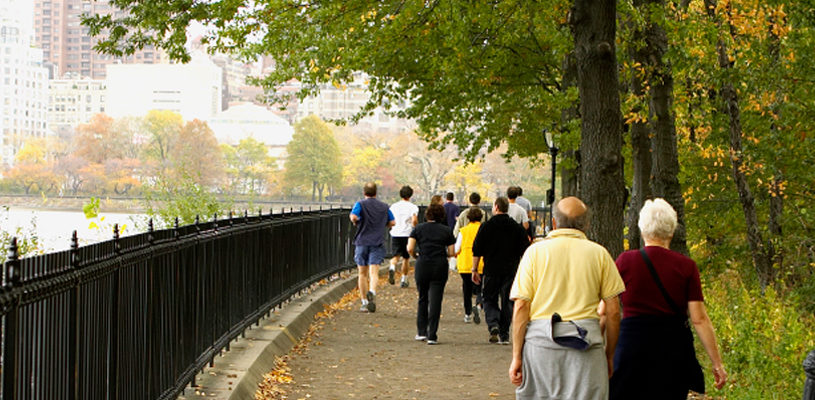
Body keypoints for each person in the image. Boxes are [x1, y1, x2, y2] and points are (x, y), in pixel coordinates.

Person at [508, 196, 625, 400]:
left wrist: (517, 356)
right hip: (586, 346)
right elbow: (613, 311)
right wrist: (608, 355)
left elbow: (521, 306)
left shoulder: (534, 253)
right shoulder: (600, 254)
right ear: (586, 224)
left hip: (541, 345)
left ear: (554, 222)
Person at [610, 198, 727, 399]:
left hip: (632, 347)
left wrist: (606, 353)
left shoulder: (625, 261)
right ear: (671, 231)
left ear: (642, 229)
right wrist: (717, 363)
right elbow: (699, 319)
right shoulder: (686, 266)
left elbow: (609, 309)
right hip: (672, 350)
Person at [472, 197, 529, 344]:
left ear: (496, 207)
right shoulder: (517, 228)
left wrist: (474, 269)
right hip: (511, 270)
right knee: (507, 301)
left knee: (489, 298)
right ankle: (504, 333)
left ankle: (493, 324)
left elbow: (477, 250)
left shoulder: (486, 226)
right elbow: (526, 251)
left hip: (491, 269)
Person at [407, 203, 456, 345]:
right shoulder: (446, 231)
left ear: (427, 214)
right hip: (439, 265)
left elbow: (410, 248)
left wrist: (416, 256)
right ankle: (432, 334)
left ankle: (421, 331)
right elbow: (451, 252)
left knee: (422, 297)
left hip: (423, 264)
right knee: (436, 300)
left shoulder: (418, 229)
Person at [350, 182, 395, 313]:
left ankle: (364, 302)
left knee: (362, 273)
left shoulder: (360, 204)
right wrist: (384, 224)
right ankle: (372, 291)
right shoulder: (384, 207)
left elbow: (353, 216)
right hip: (377, 242)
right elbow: (393, 222)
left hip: (362, 242)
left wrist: (355, 221)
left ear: (364, 193)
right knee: (374, 272)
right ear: (376, 193)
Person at [455, 207, 484, 324]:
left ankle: (467, 313)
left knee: (466, 288)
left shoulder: (463, 231)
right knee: (480, 287)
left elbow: (457, 248)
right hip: (481, 264)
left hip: (465, 263)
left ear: (468, 218)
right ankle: (478, 305)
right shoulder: (483, 229)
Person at [389, 185, 419, 288]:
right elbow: (414, 220)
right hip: (407, 234)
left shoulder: (393, 206)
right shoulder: (413, 207)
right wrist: (414, 226)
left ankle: (392, 266)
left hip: (395, 232)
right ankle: (404, 279)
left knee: (395, 256)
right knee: (406, 258)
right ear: (410, 195)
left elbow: (390, 219)